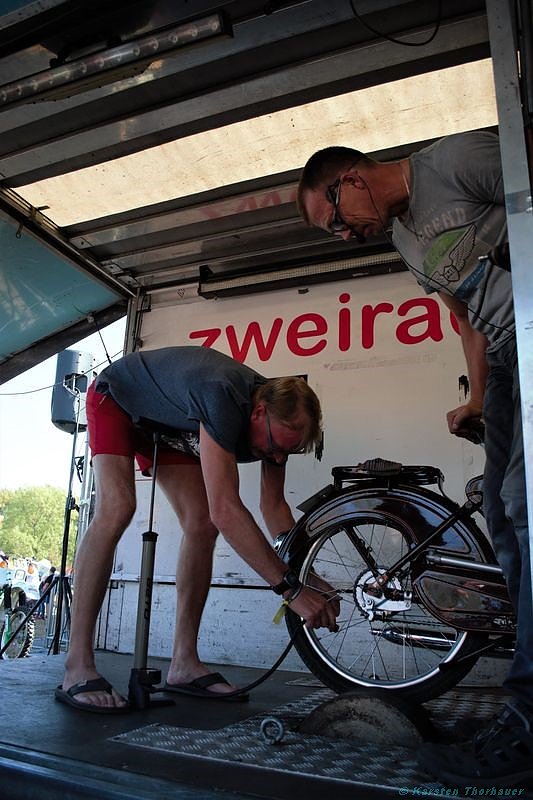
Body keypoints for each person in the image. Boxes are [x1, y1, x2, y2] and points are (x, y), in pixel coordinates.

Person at [297, 131, 532, 785]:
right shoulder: (403, 240)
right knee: (501, 513)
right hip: (507, 357)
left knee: (522, 501)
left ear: (350, 179)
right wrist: (479, 396)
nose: (342, 235)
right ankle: (524, 696)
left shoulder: (454, 162)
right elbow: (465, 318)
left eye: (334, 219)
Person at [56, 345, 339, 713]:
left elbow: (274, 509)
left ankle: (184, 663)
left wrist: (309, 577)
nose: (278, 458)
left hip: (171, 424)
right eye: (275, 448)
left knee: (202, 524)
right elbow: (228, 510)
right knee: (118, 507)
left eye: (288, 453)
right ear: (258, 412)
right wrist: (290, 590)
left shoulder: (275, 429)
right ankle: (77, 665)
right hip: (118, 398)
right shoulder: (220, 394)